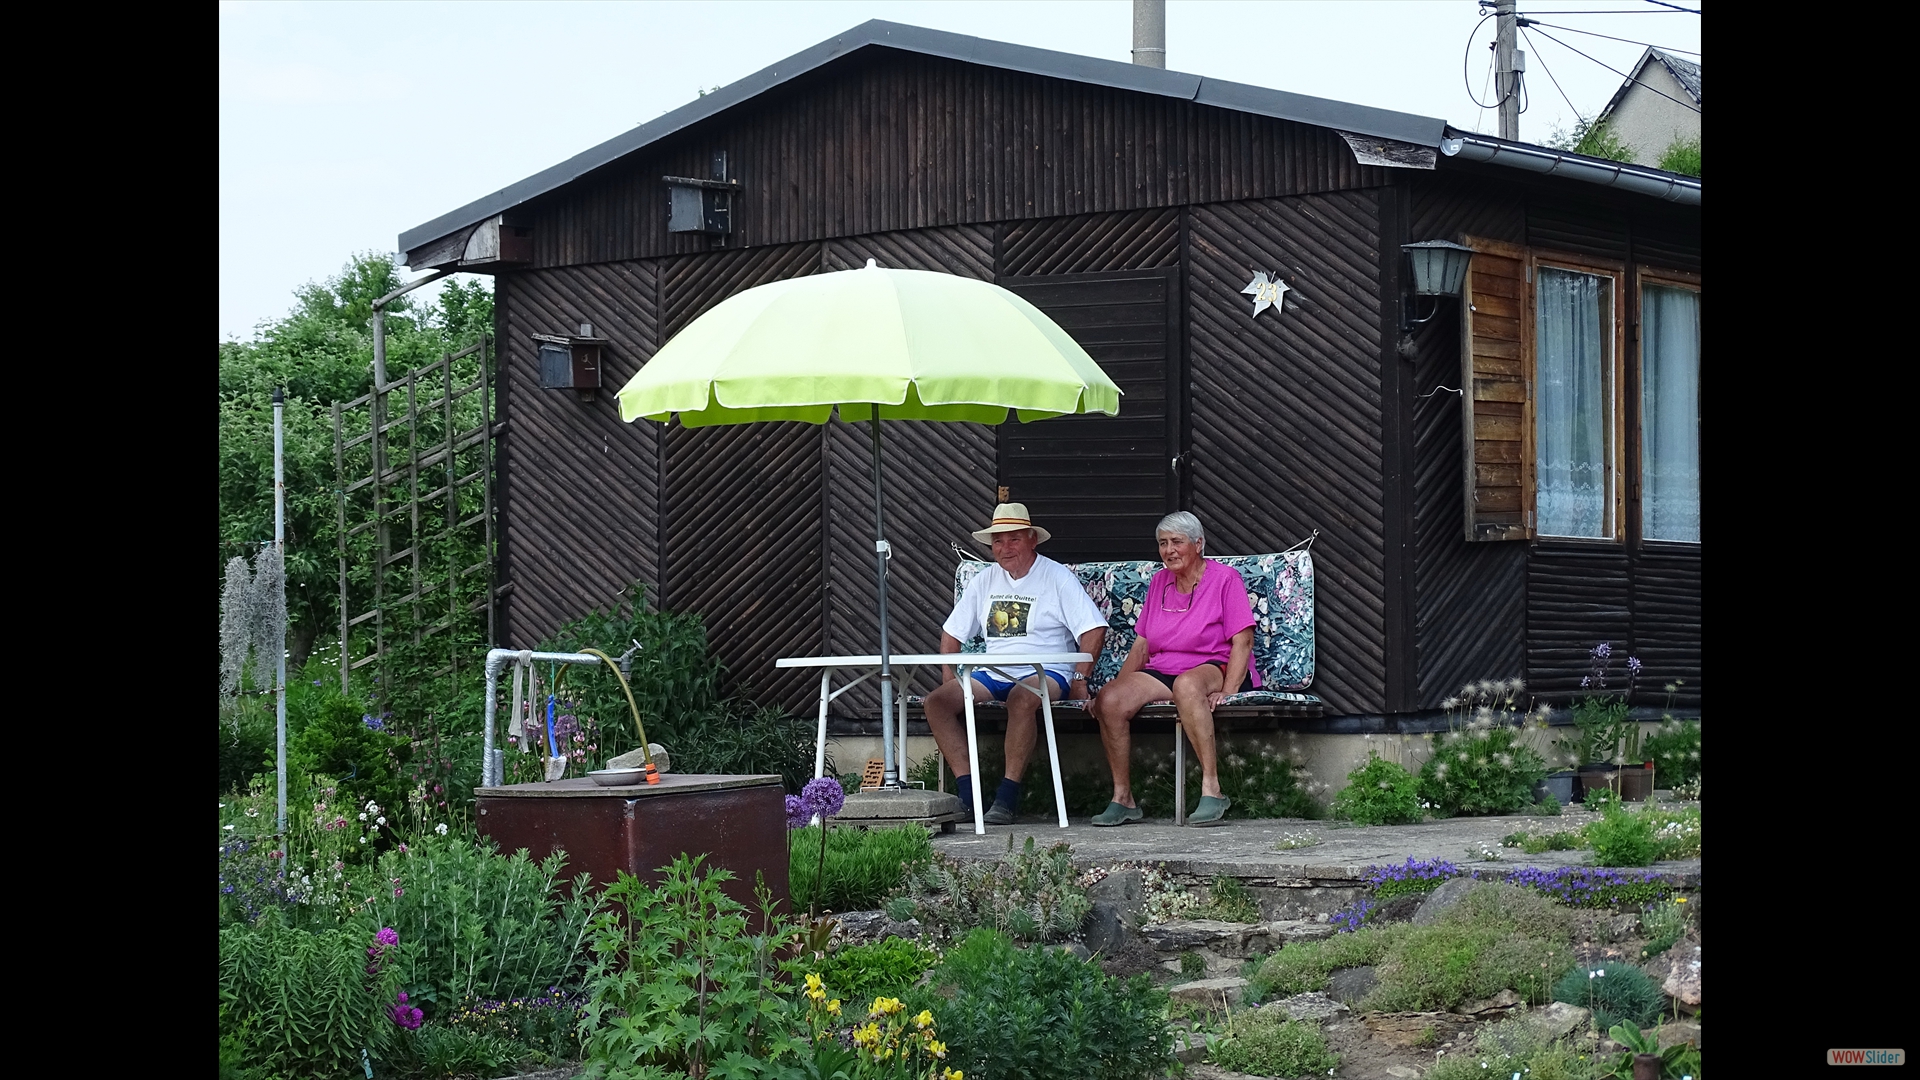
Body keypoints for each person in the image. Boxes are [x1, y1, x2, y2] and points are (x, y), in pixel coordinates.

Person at [924, 502, 1107, 825]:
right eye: (998, 541)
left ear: (1032, 539)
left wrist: (1080, 679)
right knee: (937, 703)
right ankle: (969, 797)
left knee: (1022, 698)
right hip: (994, 670)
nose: (1004, 548)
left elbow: (1093, 629)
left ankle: (1007, 797)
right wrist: (949, 681)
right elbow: (951, 635)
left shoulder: (1055, 577)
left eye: (1014, 539)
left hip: (1047, 670)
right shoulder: (985, 580)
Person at [1087, 511, 1259, 826]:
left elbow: (1243, 641)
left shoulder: (1224, 579)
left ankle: (1212, 789)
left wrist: (1229, 692)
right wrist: (1119, 690)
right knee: (1110, 699)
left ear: (1198, 544)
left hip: (1213, 664)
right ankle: (1123, 798)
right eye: (1163, 543)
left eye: (1177, 542)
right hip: (1166, 668)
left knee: (1187, 685)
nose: (1169, 550)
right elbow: (1142, 646)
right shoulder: (1159, 582)